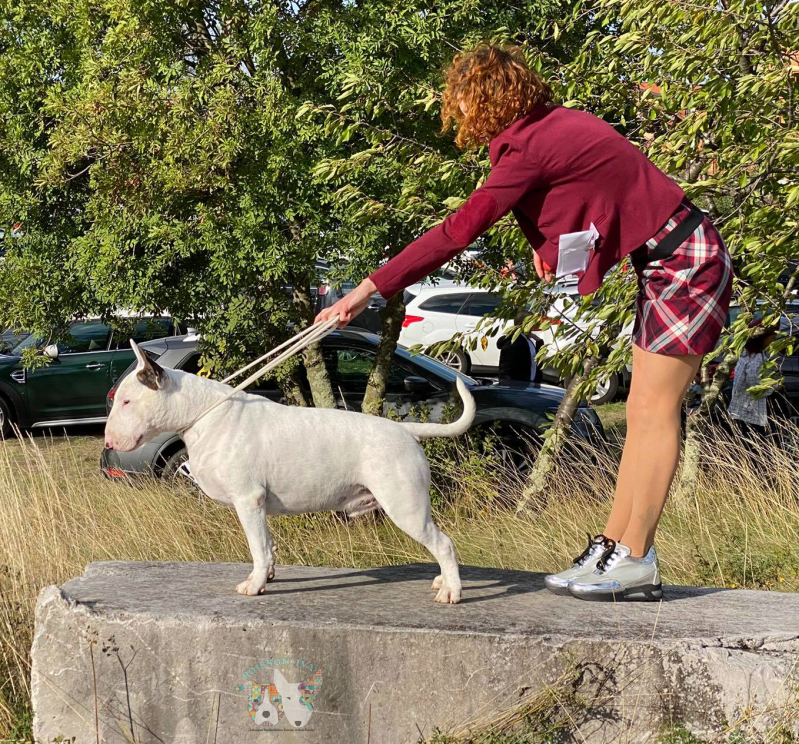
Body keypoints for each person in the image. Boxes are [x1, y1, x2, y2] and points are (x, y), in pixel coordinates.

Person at [316, 43, 733, 602]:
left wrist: (368, 289)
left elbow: (456, 232)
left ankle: (637, 556)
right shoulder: (551, 130)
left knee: (655, 411)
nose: (456, 115)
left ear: (486, 98)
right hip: (670, 260)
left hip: (686, 261)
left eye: (461, 103)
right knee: (638, 410)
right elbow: (596, 192)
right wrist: (552, 245)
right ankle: (614, 546)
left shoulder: (531, 148)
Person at [729, 321, 779, 438]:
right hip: (751, 411)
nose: (773, 340)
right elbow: (755, 385)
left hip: (742, 409)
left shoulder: (747, 353)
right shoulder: (755, 358)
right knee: (755, 444)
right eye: (771, 338)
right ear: (761, 338)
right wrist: (775, 386)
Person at [497, 311, 543, 384]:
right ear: (522, 324)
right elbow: (506, 369)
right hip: (518, 387)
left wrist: (539, 342)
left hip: (529, 385)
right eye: (532, 323)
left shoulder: (527, 340)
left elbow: (536, 361)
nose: (534, 326)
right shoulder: (514, 342)